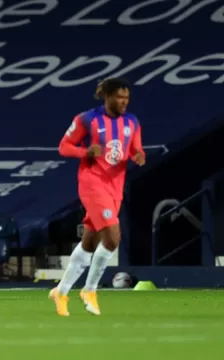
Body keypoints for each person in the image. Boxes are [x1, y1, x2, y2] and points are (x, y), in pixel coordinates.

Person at [50, 78, 145, 316]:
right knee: (113, 238)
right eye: (119, 97)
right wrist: (85, 151)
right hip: (92, 183)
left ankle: (60, 292)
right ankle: (89, 290)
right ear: (107, 96)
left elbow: (136, 147)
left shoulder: (131, 121)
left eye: (127, 98)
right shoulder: (87, 119)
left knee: (90, 242)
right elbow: (64, 146)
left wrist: (139, 155)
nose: (124, 102)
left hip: (115, 187)